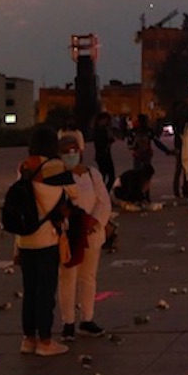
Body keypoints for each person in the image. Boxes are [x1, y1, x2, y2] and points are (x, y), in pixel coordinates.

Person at [13, 126, 79, 356]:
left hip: (25, 238)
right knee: (45, 292)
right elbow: (75, 193)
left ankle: (28, 338)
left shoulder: (24, 167)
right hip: (47, 239)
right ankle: (45, 341)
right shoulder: (56, 167)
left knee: (29, 291)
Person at [55, 130, 114, 340]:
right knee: (68, 278)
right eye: (65, 152)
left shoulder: (92, 174)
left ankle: (87, 318)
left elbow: (103, 201)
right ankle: (68, 322)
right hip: (70, 235)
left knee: (88, 277)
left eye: (73, 151)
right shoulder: (59, 177)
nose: (70, 155)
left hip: (92, 234)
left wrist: (95, 221)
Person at [91, 110, 118, 184]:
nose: (107, 121)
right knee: (108, 176)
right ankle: (103, 192)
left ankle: (103, 192)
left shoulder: (100, 129)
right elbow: (102, 143)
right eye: (106, 119)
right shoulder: (99, 130)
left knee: (105, 176)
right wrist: (109, 140)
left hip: (103, 155)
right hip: (103, 155)